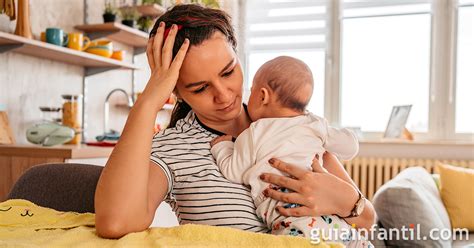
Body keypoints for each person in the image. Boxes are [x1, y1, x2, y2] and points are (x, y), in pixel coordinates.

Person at [94, 4, 376, 241]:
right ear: (175, 91)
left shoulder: (288, 121)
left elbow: (367, 221)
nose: (224, 95)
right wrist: (148, 102)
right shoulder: (173, 148)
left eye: (228, 72)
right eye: (200, 88)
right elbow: (116, 223)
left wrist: (346, 200)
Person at [209, 56, 368, 246]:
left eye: (251, 91)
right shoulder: (315, 124)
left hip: (291, 219)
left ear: (262, 96)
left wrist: (222, 146)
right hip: (331, 219)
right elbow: (351, 147)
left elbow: (233, 171)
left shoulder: (253, 133)